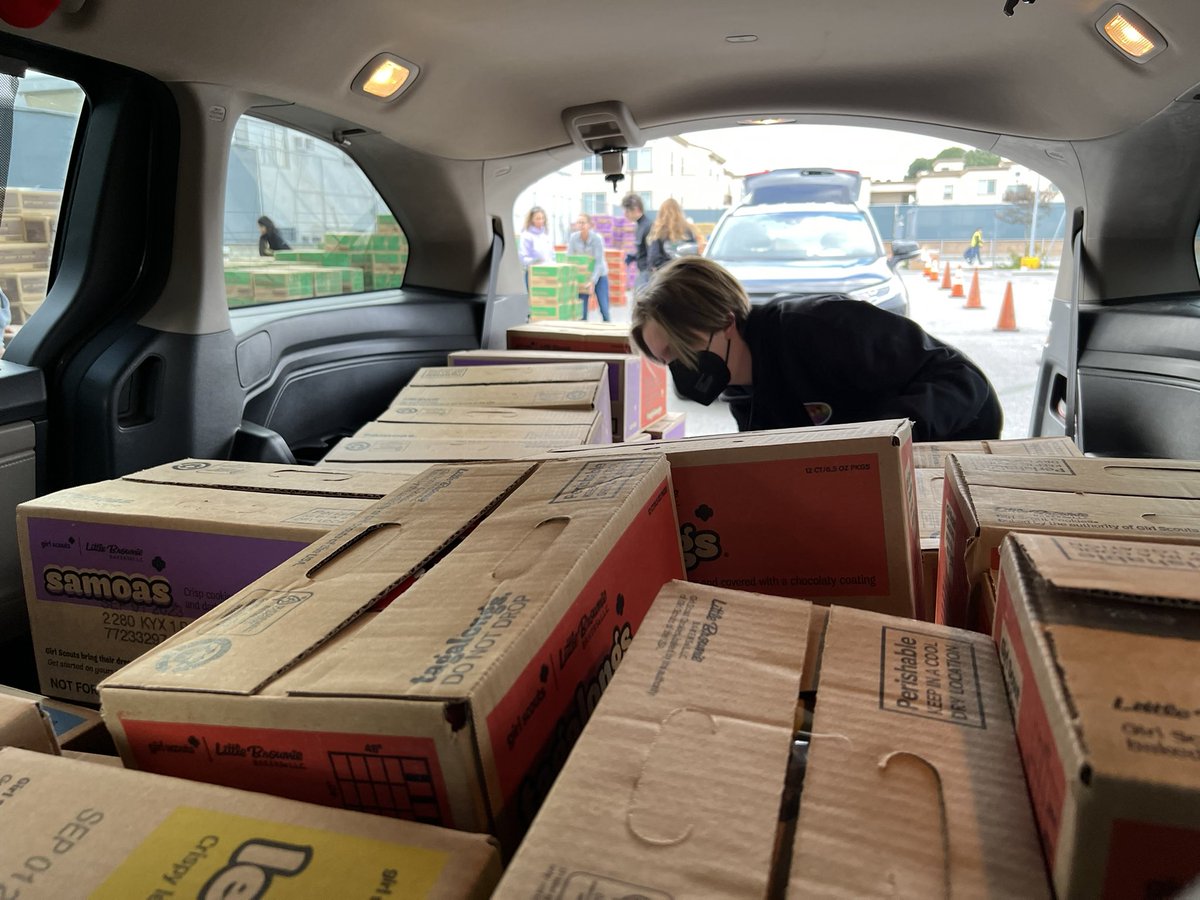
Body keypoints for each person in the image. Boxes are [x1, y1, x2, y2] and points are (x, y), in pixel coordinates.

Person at [630, 256, 1002, 442]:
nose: (682, 368)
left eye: (685, 348)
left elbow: (962, 380)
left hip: (957, 433)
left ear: (725, 321)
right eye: (668, 361)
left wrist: (884, 437)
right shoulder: (745, 399)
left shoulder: (819, 328)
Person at [567, 213, 610, 322]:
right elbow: (570, 258)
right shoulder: (573, 238)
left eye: (583, 222)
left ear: (589, 225)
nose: (581, 225)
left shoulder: (597, 239)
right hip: (583, 277)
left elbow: (599, 262)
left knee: (604, 308)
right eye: (578, 222)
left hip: (599, 275)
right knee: (582, 311)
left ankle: (608, 329)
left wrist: (592, 281)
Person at [647, 198, 702, 271]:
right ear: (679, 212)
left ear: (661, 213)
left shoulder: (658, 231)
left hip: (667, 276)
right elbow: (694, 253)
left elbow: (654, 259)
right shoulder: (689, 230)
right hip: (687, 274)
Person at [621, 193, 653, 294]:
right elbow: (643, 249)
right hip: (643, 271)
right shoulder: (639, 226)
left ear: (636, 209)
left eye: (627, 211)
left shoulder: (648, 226)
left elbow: (652, 253)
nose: (625, 214)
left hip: (648, 273)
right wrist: (633, 256)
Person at [519, 206, 556, 286]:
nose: (541, 220)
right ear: (531, 220)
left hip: (548, 273)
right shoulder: (526, 235)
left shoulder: (546, 234)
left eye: (542, 218)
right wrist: (536, 261)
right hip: (533, 274)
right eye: (538, 218)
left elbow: (552, 254)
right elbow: (523, 258)